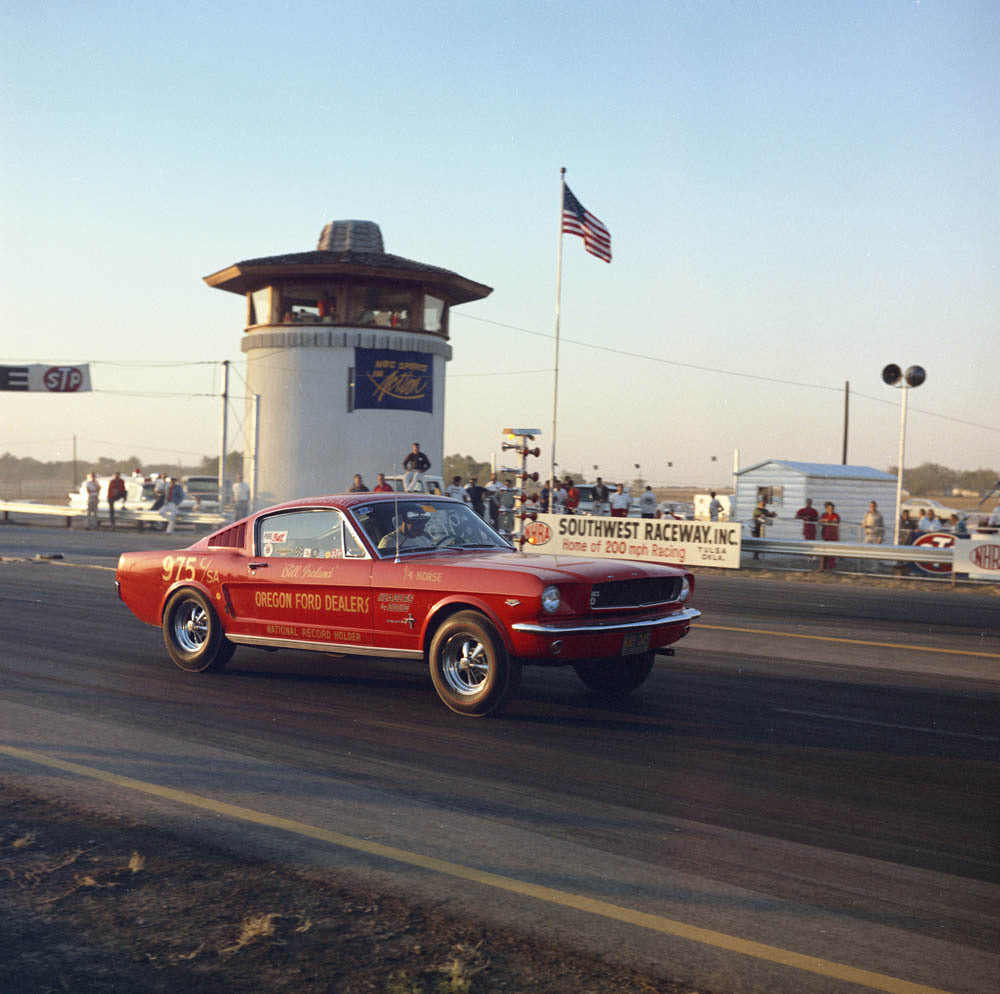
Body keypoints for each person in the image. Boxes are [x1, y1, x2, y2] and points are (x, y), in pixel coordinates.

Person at [820, 501, 840, 569]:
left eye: (832, 508)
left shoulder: (835, 515)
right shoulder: (824, 515)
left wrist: (828, 521)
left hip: (833, 535)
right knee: (824, 550)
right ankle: (823, 566)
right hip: (825, 535)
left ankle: (832, 566)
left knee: (832, 551)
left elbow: (836, 521)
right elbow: (820, 521)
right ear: (827, 509)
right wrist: (825, 520)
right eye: (829, 508)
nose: (831, 510)